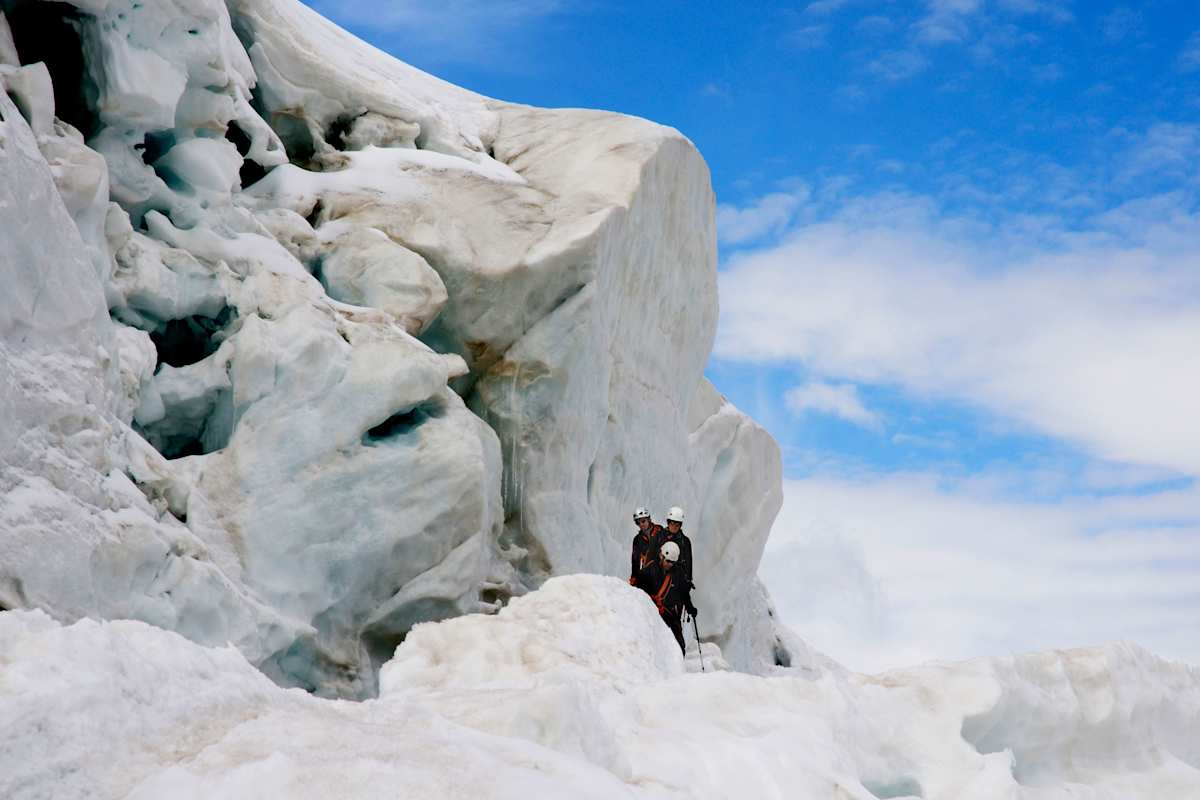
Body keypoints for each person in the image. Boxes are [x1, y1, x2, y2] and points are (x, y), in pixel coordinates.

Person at [639, 540, 697, 654]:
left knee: (679, 646)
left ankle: (678, 668)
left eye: (673, 562)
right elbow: (638, 590)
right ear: (661, 556)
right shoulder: (649, 570)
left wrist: (690, 607)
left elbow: (684, 592)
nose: (670, 564)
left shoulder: (678, 572)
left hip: (670, 613)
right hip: (652, 611)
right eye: (668, 561)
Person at [658, 506, 693, 587]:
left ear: (680, 525)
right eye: (672, 523)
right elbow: (652, 554)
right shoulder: (659, 537)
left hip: (678, 579)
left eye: (677, 524)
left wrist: (688, 580)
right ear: (668, 523)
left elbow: (688, 562)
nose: (674, 527)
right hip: (659, 576)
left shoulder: (685, 541)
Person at [628, 506, 661, 594]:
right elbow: (635, 561)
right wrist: (634, 577)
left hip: (662, 572)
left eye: (643, 521)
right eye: (638, 523)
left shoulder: (660, 531)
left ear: (649, 519)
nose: (641, 524)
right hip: (648, 575)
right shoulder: (637, 539)